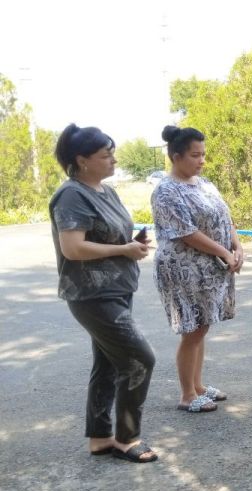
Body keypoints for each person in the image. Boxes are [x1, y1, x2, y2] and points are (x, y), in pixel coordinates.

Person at [49, 124, 158, 463]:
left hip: (117, 287)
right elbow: (74, 248)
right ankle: (127, 439)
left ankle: (100, 438)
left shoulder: (105, 192)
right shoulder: (71, 194)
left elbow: (110, 236)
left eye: (112, 152)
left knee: (109, 364)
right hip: (92, 295)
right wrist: (122, 250)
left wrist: (130, 245)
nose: (113, 159)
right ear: (81, 160)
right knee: (140, 358)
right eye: (105, 155)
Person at [152, 126, 243, 413]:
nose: (201, 160)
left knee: (202, 326)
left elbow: (226, 218)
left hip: (212, 267)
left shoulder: (205, 185)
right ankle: (187, 395)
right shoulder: (166, 191)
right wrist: (224, 252)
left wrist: (236, 247)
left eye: (203, 154)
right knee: (192, 329)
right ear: (175, 156)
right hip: (184, 270)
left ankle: (198, 386)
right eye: (195, 155)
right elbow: (186, 233)